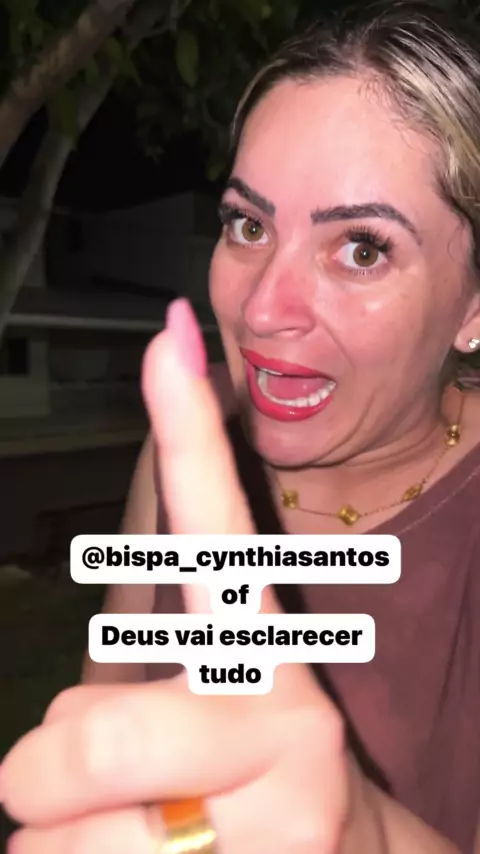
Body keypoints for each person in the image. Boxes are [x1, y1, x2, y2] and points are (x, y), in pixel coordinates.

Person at [2, 1, 480, 851]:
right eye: (248, 225)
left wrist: (366, 834)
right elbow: (108, 705)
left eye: (362, 248)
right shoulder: (191, 437)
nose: (261, 309)